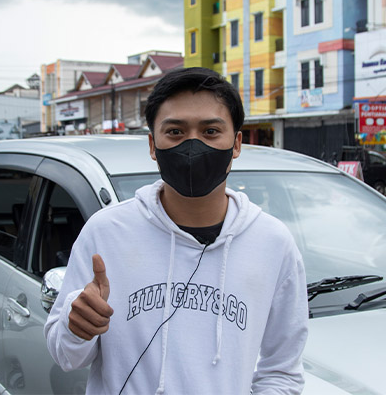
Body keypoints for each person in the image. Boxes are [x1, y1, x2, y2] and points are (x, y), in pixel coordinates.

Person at [44, 67, 308, 394]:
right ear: (153, 145)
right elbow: (65, 356)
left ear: (237, 144)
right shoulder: (106, 232)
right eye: (175, 132)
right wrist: (77, 327)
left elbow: (282, 372)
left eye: (210, 131)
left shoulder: (273, 243)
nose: (192, 146)